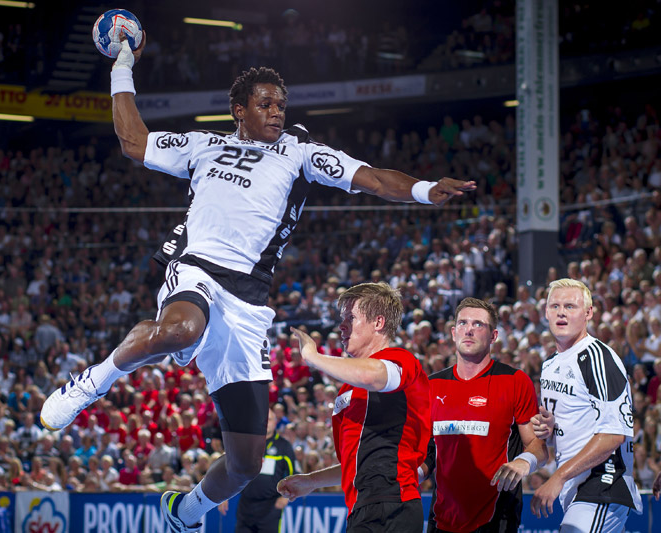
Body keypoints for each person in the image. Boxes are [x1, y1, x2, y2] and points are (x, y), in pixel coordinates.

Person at [40, 32, 474, 533]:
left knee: (246, 463)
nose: (276, 112)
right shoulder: (204, 145)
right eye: (265, 104)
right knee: (179, 329)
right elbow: (133, 142)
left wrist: (424, 189)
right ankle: (92, 382)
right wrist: (121, 66)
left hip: (247, 303)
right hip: (198, 269)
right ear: (238, 110)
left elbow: (373, 178)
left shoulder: (300, 153)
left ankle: (184, 513)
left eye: (281, 105)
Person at [276, 283, 430, 532]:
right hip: (361, 507)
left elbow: (374, 375)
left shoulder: (401, 360)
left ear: (378, 322)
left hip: (392, 504)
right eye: (342, 319)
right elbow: (356, 463)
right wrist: (312, 481)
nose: (342, 326)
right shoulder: (347, 389)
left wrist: (313, 357)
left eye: (351, 318)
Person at [420, 297, 548, 533]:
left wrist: (524, 461)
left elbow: (538, 446)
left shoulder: (514, 381)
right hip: (441, 518)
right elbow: (428, 449)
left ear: (493, 336)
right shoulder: (431, 385)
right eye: (462, 323)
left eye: (478, 324)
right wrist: (416, 472)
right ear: (453, 333)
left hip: (498, 517)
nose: (468, 330)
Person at [530, 279, 642, 531]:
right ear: (546, 312)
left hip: (604, 483)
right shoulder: (550, 364)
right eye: (555, 306)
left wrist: (558, 477)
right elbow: (566, 431)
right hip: (576, 489)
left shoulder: (597, 357)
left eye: (570, 306)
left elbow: (613, 434)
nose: (561, 312)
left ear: (588, 313)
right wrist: (548, 429)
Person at [218, 409, 297, 532]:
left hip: (270, 506)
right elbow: (232, 470)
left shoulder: (284, 446)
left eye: (269, 419)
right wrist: (224, 495)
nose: (266, 423)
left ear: (275, 422)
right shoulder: (247, 444)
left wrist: (285, 498)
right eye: (263, 420)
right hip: (245, 505)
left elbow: (293, 474)